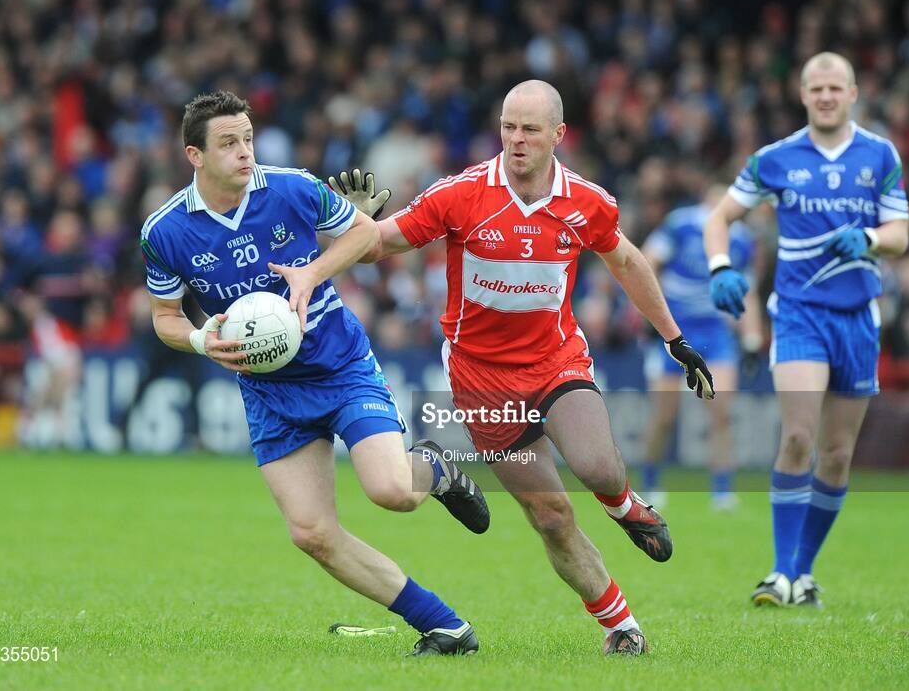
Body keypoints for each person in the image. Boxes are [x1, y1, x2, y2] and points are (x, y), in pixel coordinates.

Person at [332, 80, 715, 656]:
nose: (516, 139)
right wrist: (356, 221)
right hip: (481, 379)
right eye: (508, 126)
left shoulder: (587, 201)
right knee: (551, 515)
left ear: (558, 135)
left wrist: (674, 339)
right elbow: (380, 244)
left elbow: (628, 261)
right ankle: (622, 627)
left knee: (599, 469)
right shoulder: (461, 194)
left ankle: (627, 507)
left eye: (530, 129)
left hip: (555, 360)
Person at [139, 90, 490, 656]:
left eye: (248, 139)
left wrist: (311, 273)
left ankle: (434, 468)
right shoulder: (166, 231)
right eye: (228, 143)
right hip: (269, 392)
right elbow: (164, 318)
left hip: (340, 365)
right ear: (194, 155)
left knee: (393, 492)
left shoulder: (292, 187)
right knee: (311, 534)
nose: (245, 153)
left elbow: (366, 234)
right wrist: (202, 338)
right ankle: (445, 626)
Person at [704, 52, 909, 608]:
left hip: (858, 318)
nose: (825, 96)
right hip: (798, 314)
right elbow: (719, 216)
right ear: (802, 94)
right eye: (815, 88)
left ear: (852, 93)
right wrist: (721, 267)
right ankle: (778, 572)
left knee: (838, 454)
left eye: (834, 88)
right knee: (798, 437)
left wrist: (867, 240)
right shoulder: (775, 158)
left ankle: (803, 571)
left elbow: (900, 234)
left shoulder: (879, 154)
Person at [642, 183, 763, 511]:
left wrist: (752, 338)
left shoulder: (741, 240)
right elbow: (647, 262)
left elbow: (746, 291)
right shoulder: (680, 224)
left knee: (721, 410)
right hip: (674, 331)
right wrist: (650, 311)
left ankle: (722, 490)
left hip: (714, 332)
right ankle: (649, 482)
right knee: (665, 415)